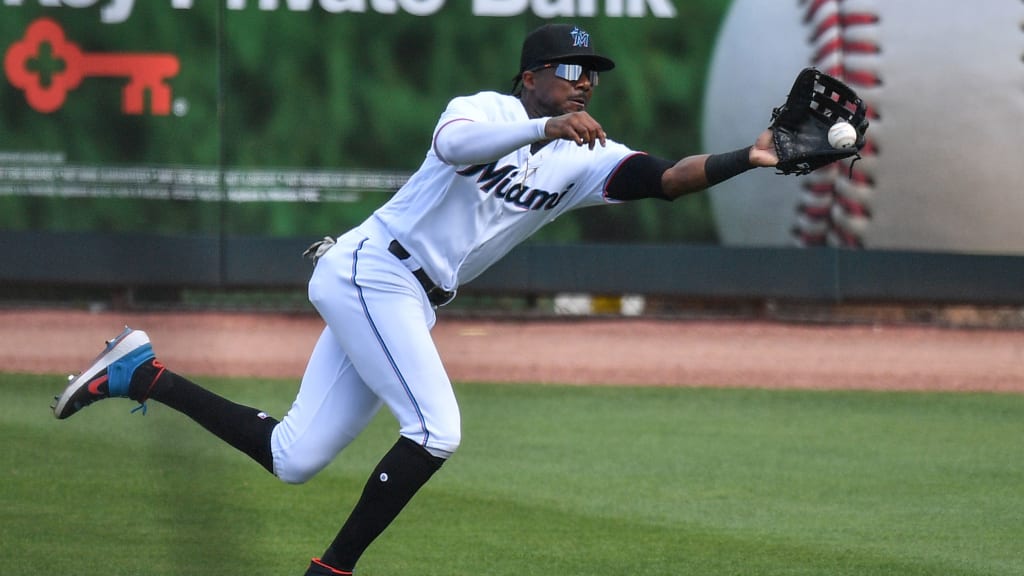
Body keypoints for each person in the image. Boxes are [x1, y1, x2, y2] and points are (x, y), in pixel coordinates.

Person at [52, 22, 779, 575]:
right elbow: (456, 148)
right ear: (531, 77)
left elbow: (672, 177)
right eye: (569, 69)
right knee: (437, 429)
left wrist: (747, 159)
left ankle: (141, 372)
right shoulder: (484, 109)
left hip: (406, 297)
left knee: (293, 456)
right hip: (374, 271)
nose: (585, 81)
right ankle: (330, 570)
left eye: (593, 73)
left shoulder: (583, 159)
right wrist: (540, 125)